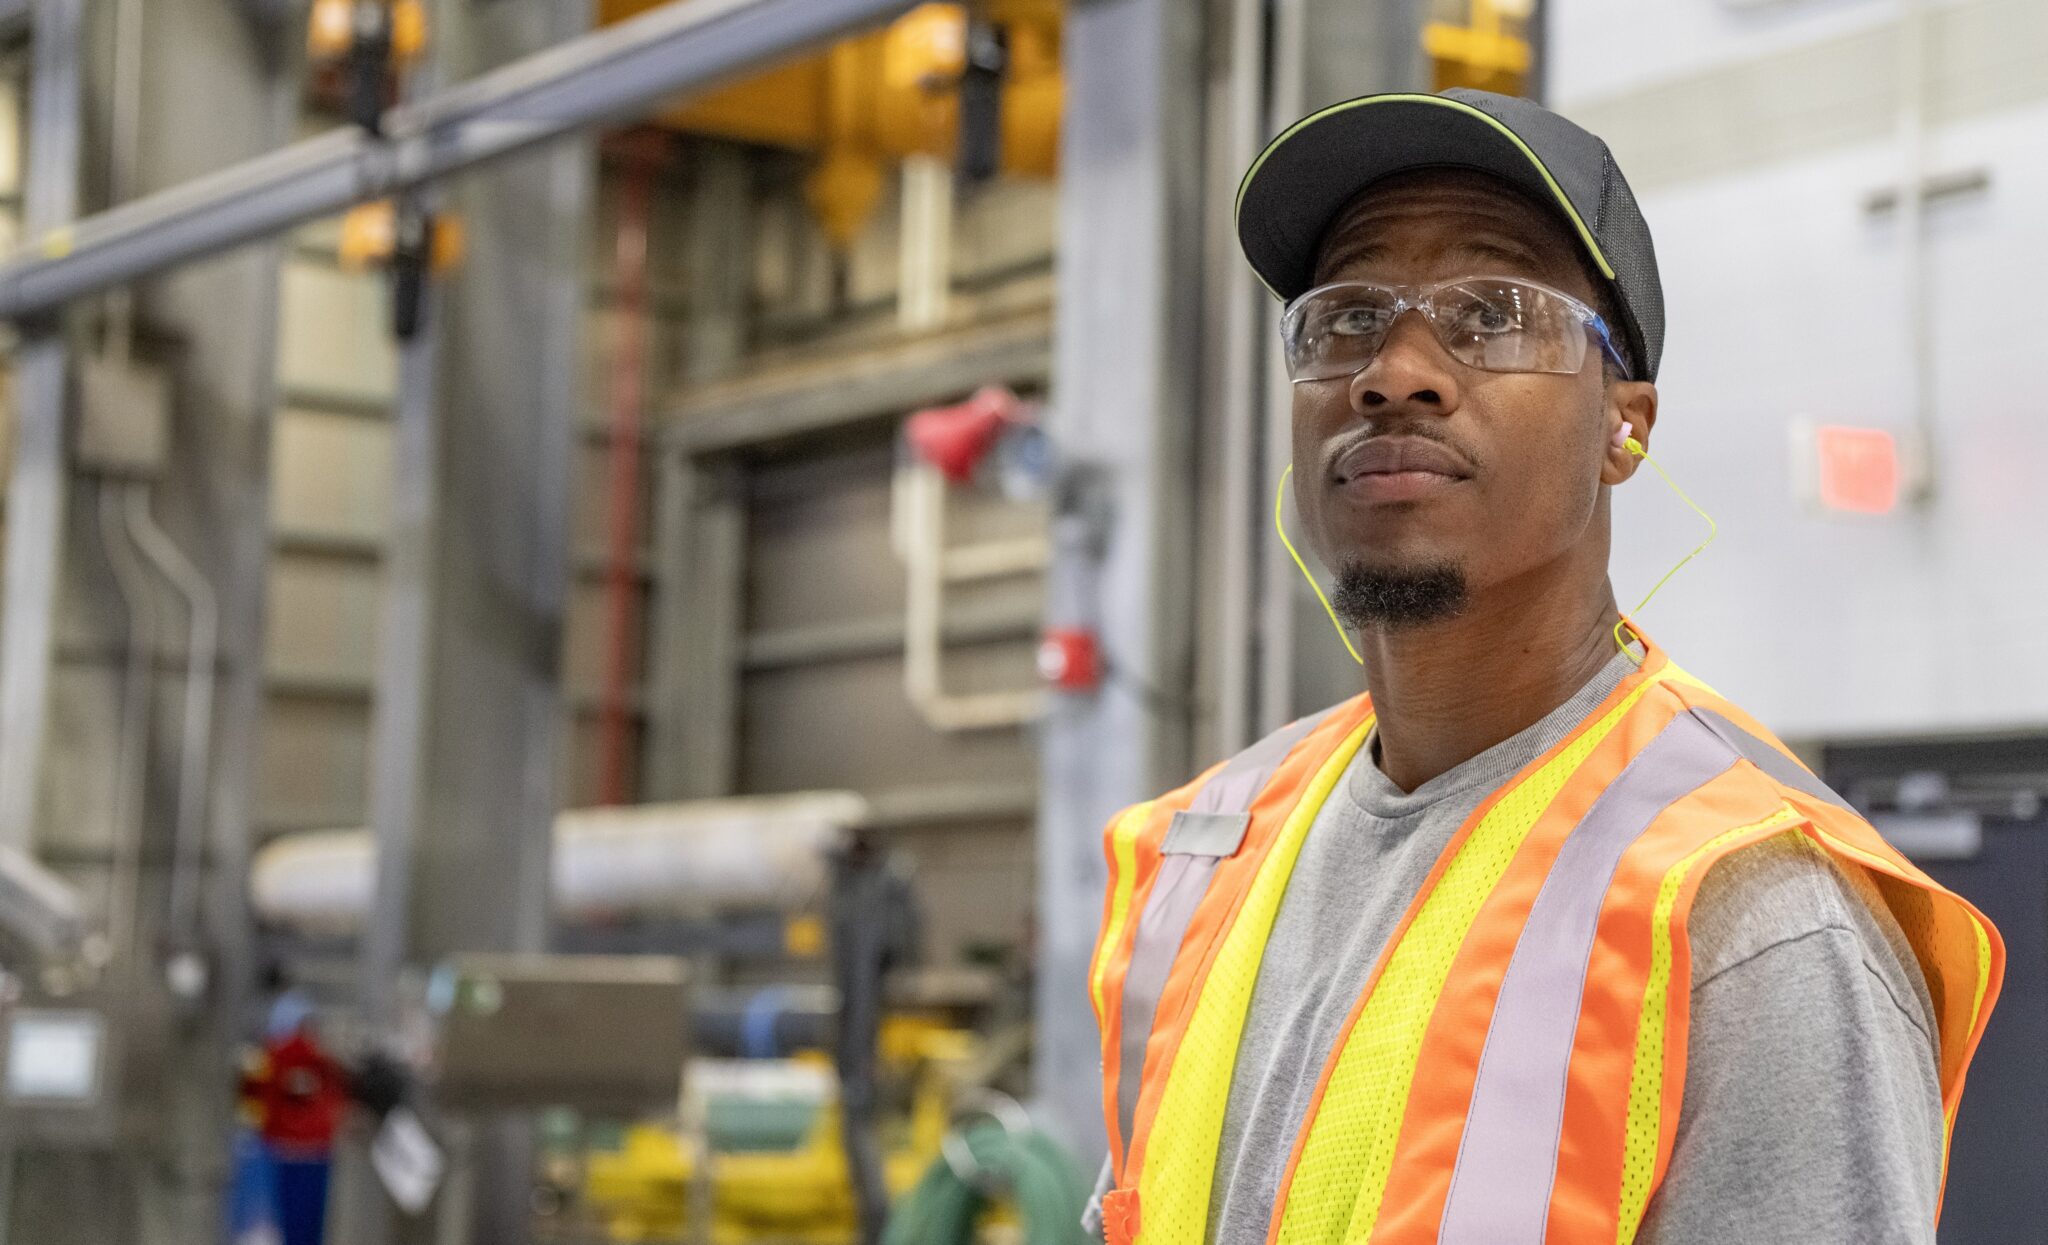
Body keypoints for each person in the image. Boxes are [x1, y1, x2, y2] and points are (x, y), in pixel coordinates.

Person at [1084, 88, 2003, 1244]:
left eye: (1491, 314)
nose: (1393, 372)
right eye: (1345, 317)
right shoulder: (1205, 852)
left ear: (1625, 425)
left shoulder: (1742, 917)